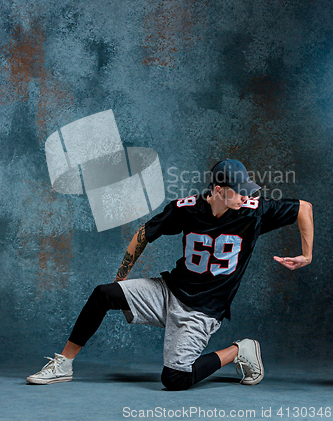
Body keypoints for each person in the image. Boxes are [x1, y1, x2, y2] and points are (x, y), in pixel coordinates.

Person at [26, 159, 313, 390]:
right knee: (104, 294)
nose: (245, 195)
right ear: (217, 189)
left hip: (202, 310)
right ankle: (64, 364)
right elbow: (144, 234)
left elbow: (304, 208)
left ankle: (239, 351)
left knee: (175, 380)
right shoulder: (187, 209)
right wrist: (121, 276)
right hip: (169, 291)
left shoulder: (254, 211)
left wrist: (307, 254)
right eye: (238, 190)